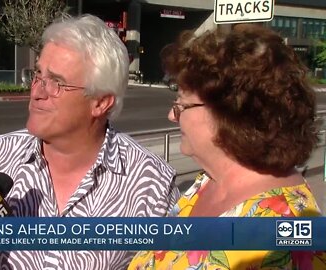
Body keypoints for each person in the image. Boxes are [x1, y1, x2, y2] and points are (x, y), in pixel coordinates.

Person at [0, 14, 179, 270]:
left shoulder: (151, 184)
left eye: (56, 82)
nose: (37, 92)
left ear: (100, 102)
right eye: (37, 75)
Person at [128, 24, 326, 269]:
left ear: (230, 116)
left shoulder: (277, 241)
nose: (172, 114)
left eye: (181, 104)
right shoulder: (209, 181)